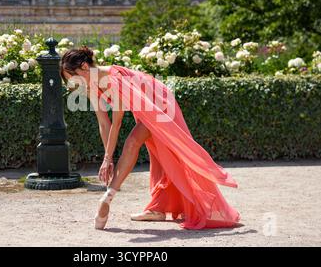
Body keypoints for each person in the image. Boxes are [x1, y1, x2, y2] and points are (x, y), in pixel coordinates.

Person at [60, 46, 241, 230]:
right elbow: (104, 124)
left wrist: (108, 158)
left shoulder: (114, 79)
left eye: (74, 79)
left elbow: (116, 122)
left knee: (134, 142)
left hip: (161, 103)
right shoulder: (91, 86)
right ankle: (160, 208)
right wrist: (109, 157)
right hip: (146, 107)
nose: (75, 85)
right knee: (161, 157)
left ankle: (107, 198)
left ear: (84, 66)